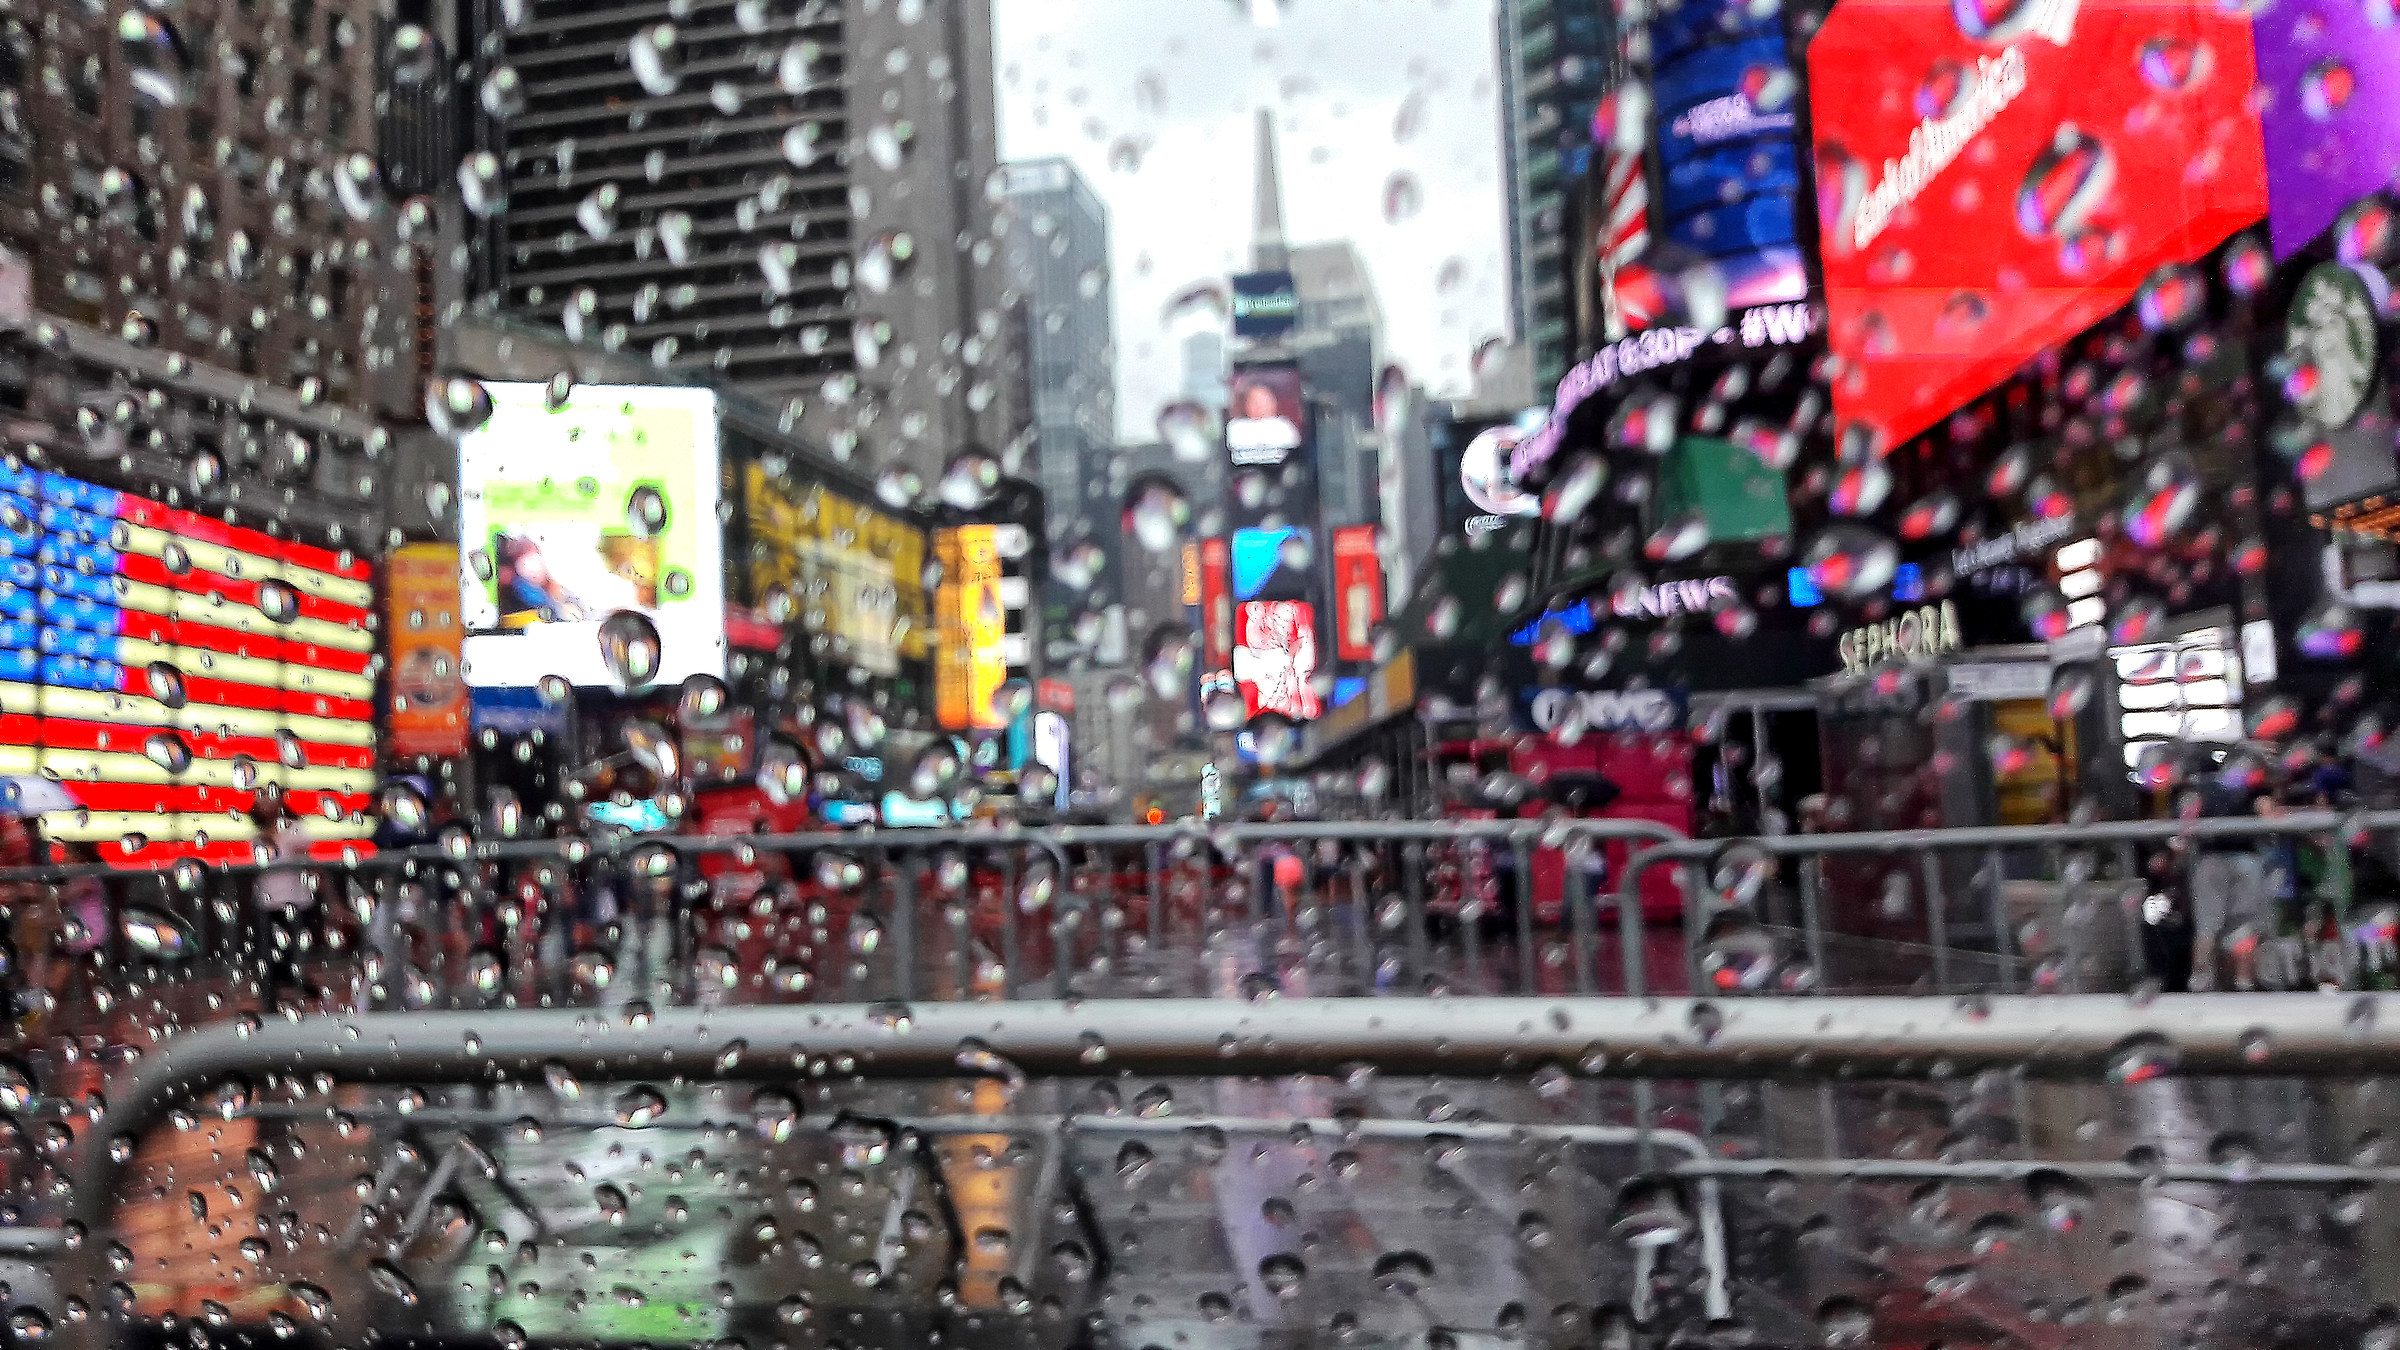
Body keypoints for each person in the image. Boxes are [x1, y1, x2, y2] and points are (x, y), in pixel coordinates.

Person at [251, 800, 319, 1010]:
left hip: (294, 900)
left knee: (289, 953)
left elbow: (306, 858)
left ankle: (302, 992)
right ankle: (274, 1001)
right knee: (269, 954)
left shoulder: (293, 828)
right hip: (268, 901)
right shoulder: (259, 835)